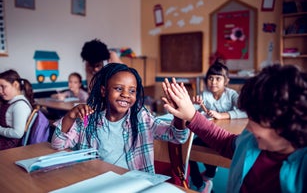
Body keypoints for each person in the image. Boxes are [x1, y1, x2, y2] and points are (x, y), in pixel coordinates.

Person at [162, 64, 307, 193]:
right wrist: (192, 115)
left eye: (256, 120)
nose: (248, 127)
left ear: (286, 122)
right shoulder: (250, 140)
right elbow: (226, 141)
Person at [51, 63, 190, 174]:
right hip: (96, 182)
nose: (126, 95)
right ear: (104, 91)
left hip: (135, 184)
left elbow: (177, 136)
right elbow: (58, 145)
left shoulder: (141, 118)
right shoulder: (88, 119)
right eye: (118, 88)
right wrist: (70, 116)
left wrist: (178, 116)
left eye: (132, 91)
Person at [189, 59, 247, 192]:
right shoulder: (205, 95)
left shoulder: (232, 95)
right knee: (188, 149)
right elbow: (192, 109)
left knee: (213, 154)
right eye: (210, 78)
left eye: (218, 78)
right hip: (210, 134)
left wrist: (222, 115)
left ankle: (209, 173)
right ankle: (200, 183)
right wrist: (191, 103)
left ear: (226, 81)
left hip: (227, 136)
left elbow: (244, 111)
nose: (213, 82)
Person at [0, 69, 35, 150]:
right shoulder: (11, 102)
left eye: (3, 86)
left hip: (9, 144)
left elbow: (17, 133)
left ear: (15, 84)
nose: (0, 91)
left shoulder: (20, 105)